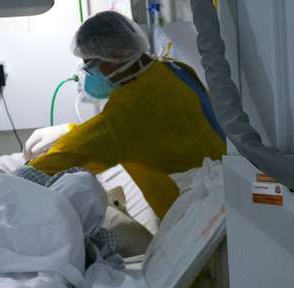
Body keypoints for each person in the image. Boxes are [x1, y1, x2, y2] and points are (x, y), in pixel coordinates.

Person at [26, 11, 226, 219]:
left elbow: (74, 154)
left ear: (117, 54)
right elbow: (140, 131)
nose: (92, 75)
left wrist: (22, 177)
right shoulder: (175, 69)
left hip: (195, 214)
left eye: (92, 66)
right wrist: (70, 130)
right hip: (230, 190)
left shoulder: (130, 104)